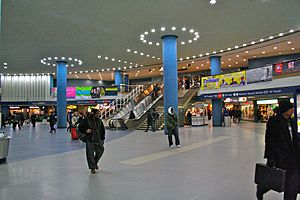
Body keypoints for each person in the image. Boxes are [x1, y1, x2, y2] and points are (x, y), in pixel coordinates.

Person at [256, 100, 300, 200]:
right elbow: (269, 140)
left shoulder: (292, 121)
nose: (293, 110)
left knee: (292, 184)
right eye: (290, 108)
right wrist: (270, 157)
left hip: (292, 157)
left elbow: (296, 139)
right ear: (284, 109)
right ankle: (262, 189)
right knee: (274, 178)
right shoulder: (274, 121)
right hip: (279, 156)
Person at [78, 108, 105, 174]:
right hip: (90, 140)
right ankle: (92, 168)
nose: (98, 115)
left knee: (100, 151)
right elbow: (79, 127)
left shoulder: (99, 121)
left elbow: (102, 130)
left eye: (98, 113)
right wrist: (86, 130)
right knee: (90, 154)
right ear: (93, 114)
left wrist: (102, 139)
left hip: (98, 140)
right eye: (97, 113)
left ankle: (95, 163)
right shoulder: (86, 120)